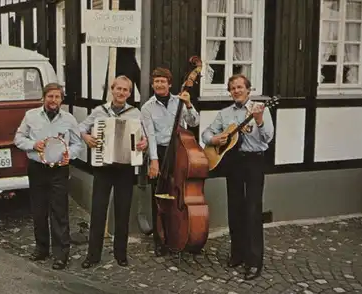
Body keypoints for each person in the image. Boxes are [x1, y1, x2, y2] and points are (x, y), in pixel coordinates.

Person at [201, 74, 274, 280]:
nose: (236, 91)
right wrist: (214, 138)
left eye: (240, 87)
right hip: (232, 163)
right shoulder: (225, 114)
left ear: (248, 90)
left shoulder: (261, 110)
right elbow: (206, 133)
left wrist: (259, 121)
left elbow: (268, 137)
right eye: (233, 88)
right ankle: (237, 254)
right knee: (235, 209)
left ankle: (254, 261)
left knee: (252, 210)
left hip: (253, 162)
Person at [78, 75, 148, 268]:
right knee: (98, 211)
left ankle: (121, 254)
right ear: (112, 89)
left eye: (125, 90)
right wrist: (86, 137)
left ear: (129, 93)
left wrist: (144, 143)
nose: (121, 93)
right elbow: (80, 127)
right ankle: (92, 256)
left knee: (123, 211)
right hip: (103, 167)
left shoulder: (135, 113)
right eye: (119, 89)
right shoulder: (99, 111)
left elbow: (145, 138)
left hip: (125, 169)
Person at [14, 83, 83, 270]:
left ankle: (61, 254)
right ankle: (41, 249)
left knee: (59, 212)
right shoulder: (31, 116)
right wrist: (33, 145)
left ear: (62, 99)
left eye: (57, 97)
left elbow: (78, 144)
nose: (54, 100)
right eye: (50, 96)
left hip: (59, 171)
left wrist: (70, 154)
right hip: (37, 168)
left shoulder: (69, 119)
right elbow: (18, 138)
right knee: (39, 210)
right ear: (44, 97)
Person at [140, 67, 200, 257]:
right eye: (156, 81)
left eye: (163, 81)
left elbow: (194, 122)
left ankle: (180, 234)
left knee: (179, 195)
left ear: (169, 84)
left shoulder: (179, 101)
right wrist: (154, 161)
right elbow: (150, 134)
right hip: (159, 151)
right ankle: (160, 241)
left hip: (180, 150)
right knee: (158, 198)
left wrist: (189, 105)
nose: (159, 84)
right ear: (152, 85)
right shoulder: (147, 107)